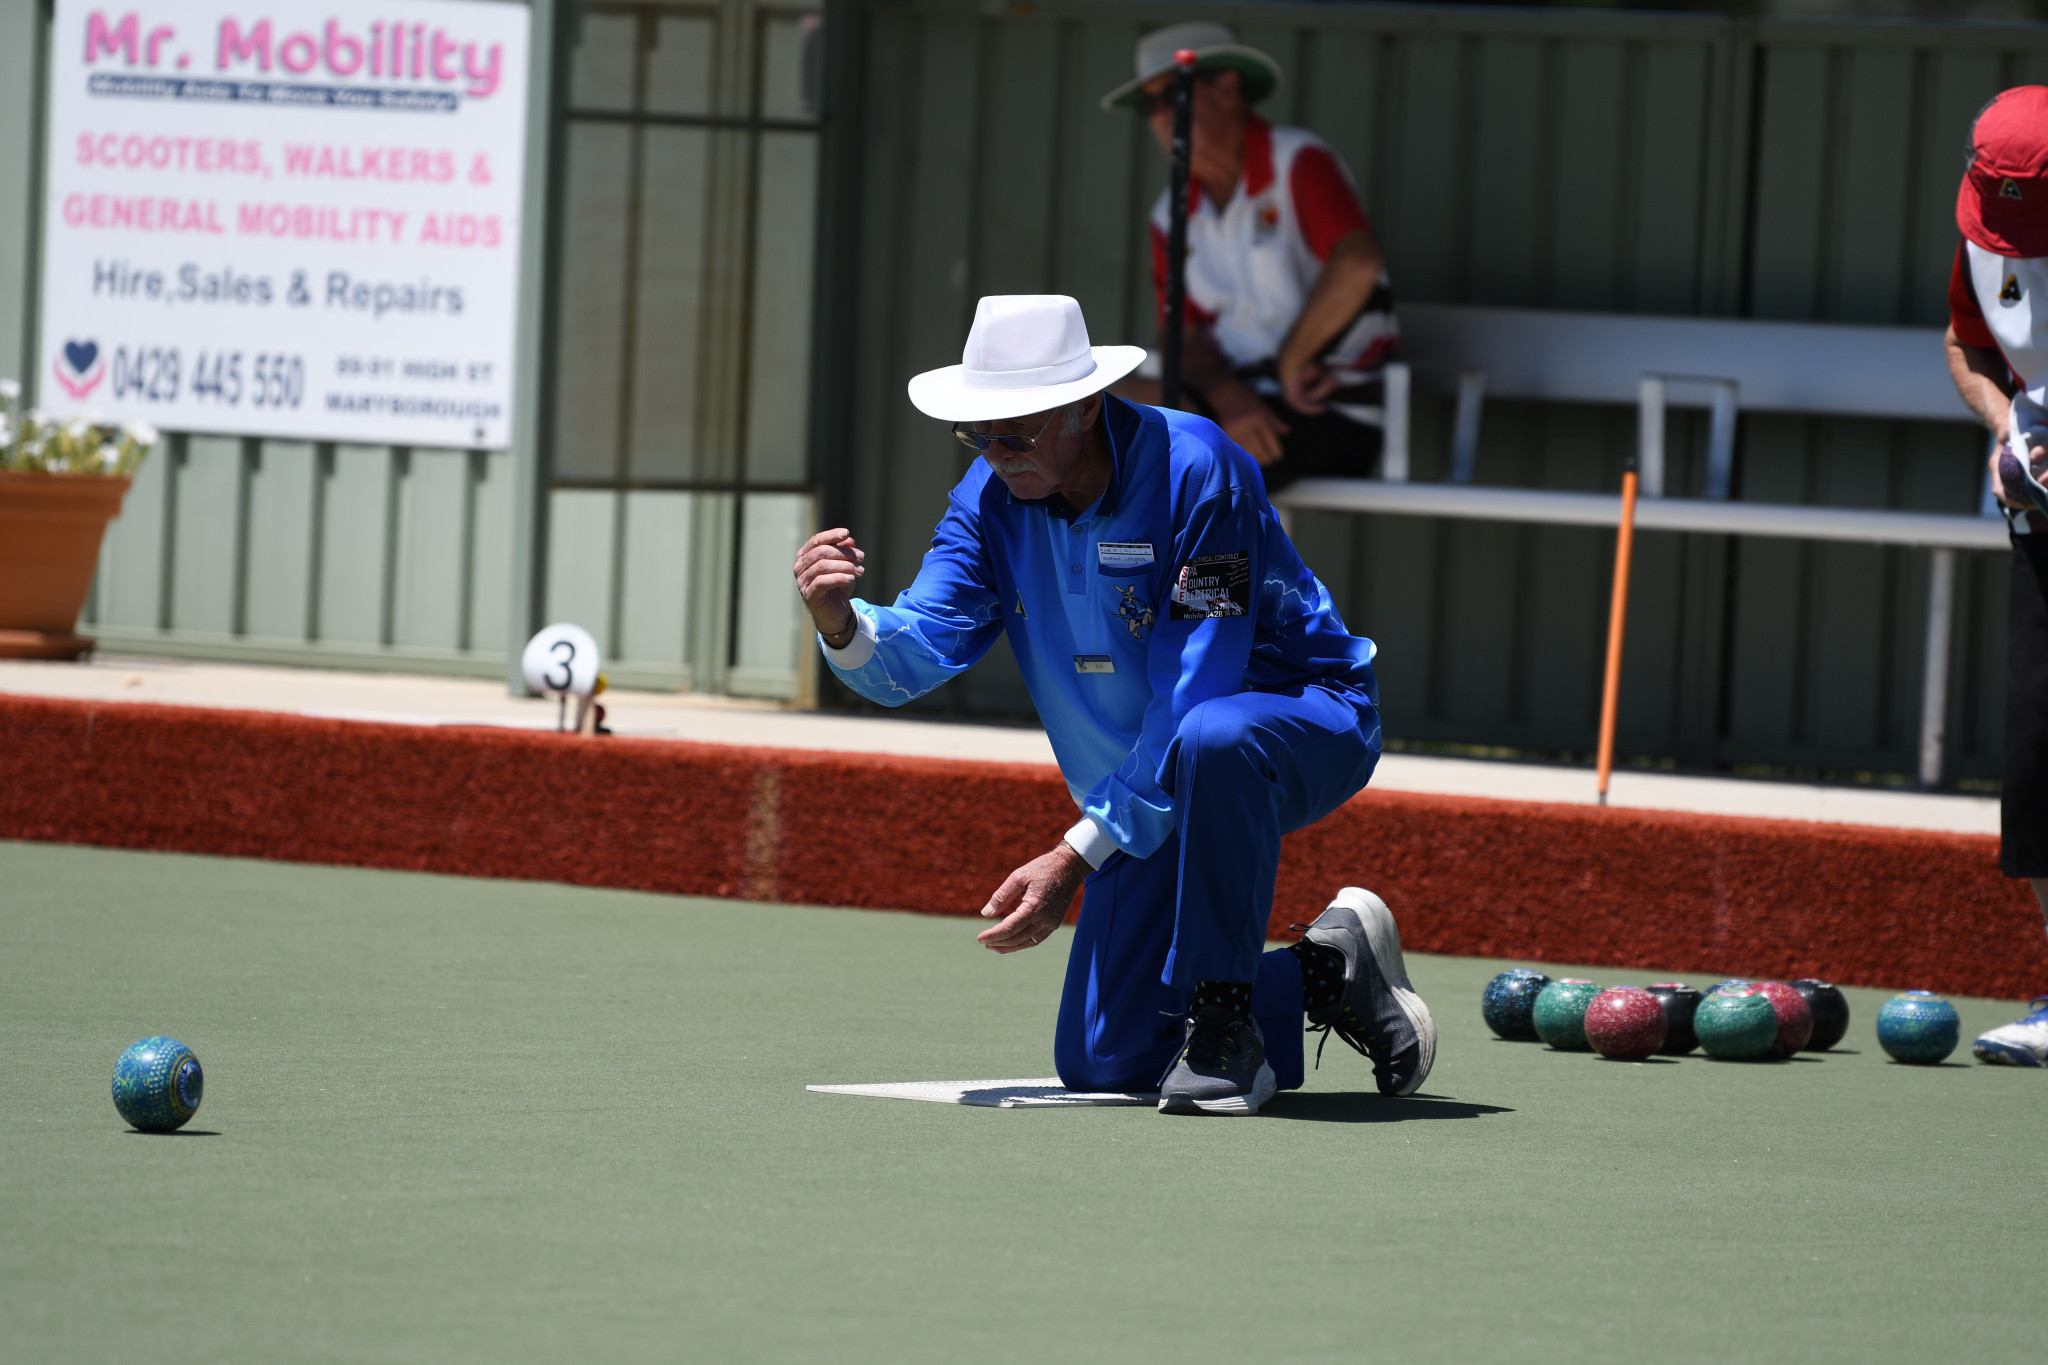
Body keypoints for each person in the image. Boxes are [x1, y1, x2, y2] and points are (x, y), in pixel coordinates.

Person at [791, 294, 1434, 1114]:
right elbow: (913, 652)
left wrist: (1074, 856)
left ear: (1086, 407)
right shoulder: (988, 500)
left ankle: (1228, 1030)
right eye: (978, 433)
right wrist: (840, 621)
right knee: (1106, 1056)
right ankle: (1329, 969)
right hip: (1153, 783)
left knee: (1214, 737)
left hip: (1305, 718)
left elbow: (1199, 684)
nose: (995, 454)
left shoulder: (1201, 468)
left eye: (1016, 431)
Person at [1103, 22, 1397, 495]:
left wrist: (1291, 361)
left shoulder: (1296, 160)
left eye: (1169, 97)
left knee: (1154, 465)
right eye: (1147, 106)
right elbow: (1184, 340)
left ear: (1226, 89)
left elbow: (1358, 263)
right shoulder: (1169, 214)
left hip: (1324, 407)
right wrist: (1226, 395)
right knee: (1096, 408)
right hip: (1233, 406)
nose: (1159, 117)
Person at [1944, 84, 2048, 1066]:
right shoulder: (1981, 237)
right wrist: (2005, 427)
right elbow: (1963, 345)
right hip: (2040, 527)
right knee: (2038, 755)